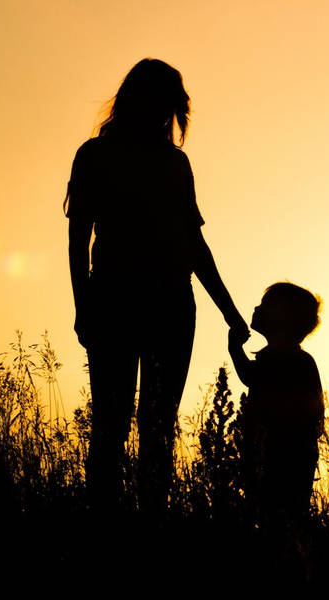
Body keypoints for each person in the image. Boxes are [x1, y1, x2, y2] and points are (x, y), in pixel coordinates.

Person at [65, 58, 248, 515]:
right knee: (115, 422)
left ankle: (149, 523)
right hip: (118, 301)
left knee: (155, 425)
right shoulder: (96, 156)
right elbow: (77, 237)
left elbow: (193, 244)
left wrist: (229, 311)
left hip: (163, 305)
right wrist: (82, 305)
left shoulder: (172, 164)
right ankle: (108, 520)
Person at [228, 282, 324, 534]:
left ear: (283, 318)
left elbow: (250, 376)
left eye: (266, 305)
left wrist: (234, 349)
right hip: (291, 454)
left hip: (278, 454)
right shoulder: (297, 359)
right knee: (286, 519)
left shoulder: (281, 358)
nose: (257, 308)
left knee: (273, 518)